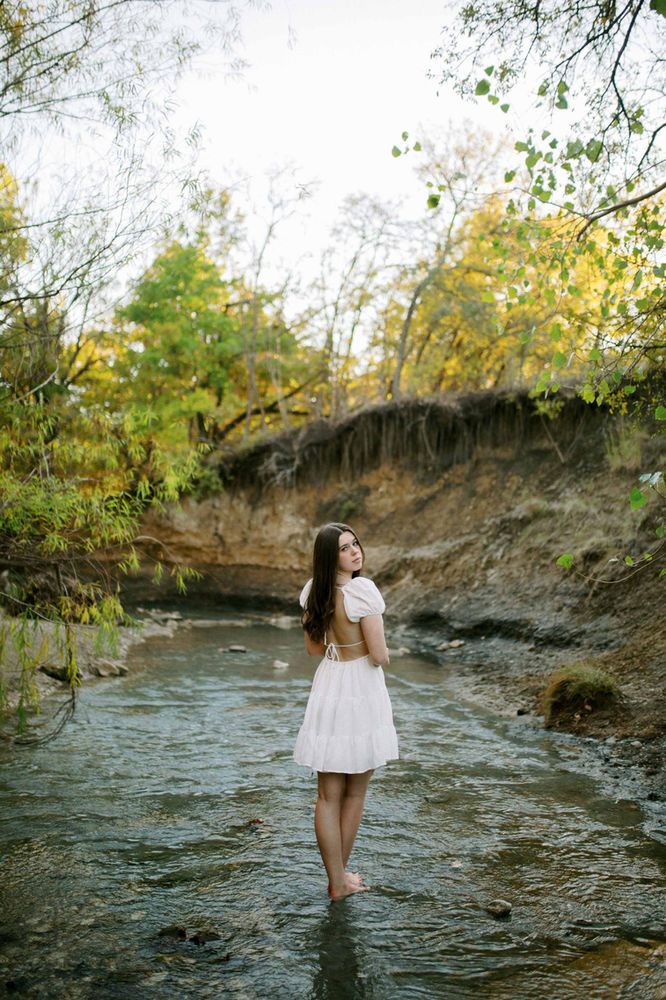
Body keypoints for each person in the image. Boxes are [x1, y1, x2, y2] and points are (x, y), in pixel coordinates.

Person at [293, 522, 399, 901]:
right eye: (344, 547)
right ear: (330, 556)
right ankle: (339, 881)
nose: (355, 551)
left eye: (355, 544)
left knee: (327, 794)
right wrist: (379, 651)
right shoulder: (363, 591)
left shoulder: (313, 591)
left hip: (329, 684)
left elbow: (313, 649)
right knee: (353, 793)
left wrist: (340, 651)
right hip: (360, 687)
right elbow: (380, 654)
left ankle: (338, 878)